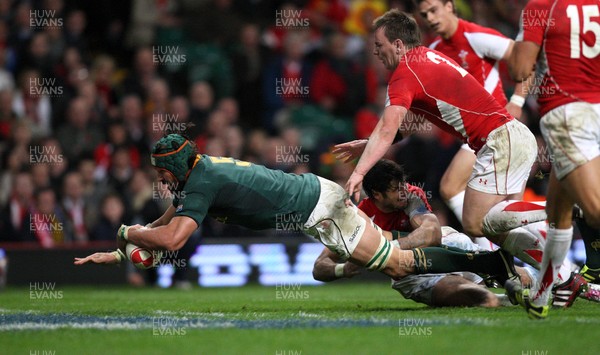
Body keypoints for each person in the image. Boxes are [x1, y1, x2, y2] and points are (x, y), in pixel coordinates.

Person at [75, 133, 518, 285]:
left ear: (173, 166)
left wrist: (126, 233)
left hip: (318, 208)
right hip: (314, 202)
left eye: (162, 171)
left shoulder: (200, 181)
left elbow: (171, 240)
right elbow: (165, 223)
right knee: (393, 261)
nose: (162, 178)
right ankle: (486, 263)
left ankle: (492, 264)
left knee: (399, 266)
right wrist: (120, 249)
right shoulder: (198, 173)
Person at [333, 9, 546, 271]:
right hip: (508, 137)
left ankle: (559, 207)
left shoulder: (405, 72)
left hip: (500, 140)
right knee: (493, 226)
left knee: (476, 221)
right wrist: (371, 143)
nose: (375, 52)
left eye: (379, 45)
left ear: (398, 45)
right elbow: (409, 122)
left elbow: (387, 128)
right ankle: (560, 272)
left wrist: (359, 172)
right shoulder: (427, 56)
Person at [505, 0, 600, 319]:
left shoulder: (541, 6)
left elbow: (520, 69)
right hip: (596, 109)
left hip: (566, 114)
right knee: (558, 213)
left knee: (595, 210)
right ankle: (543, 294)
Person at [313, 159, 516, 307]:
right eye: (395, 189)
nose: (403, 191)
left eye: (403, 184)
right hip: (409, 274)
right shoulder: (358, 218)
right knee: (481, 298)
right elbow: (319, 268)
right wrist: (342, 270)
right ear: (376, 194)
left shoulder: (410, 197)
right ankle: (500, 297)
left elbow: (433, 234)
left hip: (442, 249)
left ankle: (538, 283)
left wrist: (386, 249)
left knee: (459, 241)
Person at [415, 0, 529, 252]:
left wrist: (518, 101)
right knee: (507, 213)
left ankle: (490, 256)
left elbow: (524, 58)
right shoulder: (434, 49)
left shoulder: (475, 36)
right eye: (424, 14)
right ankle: (554, 266)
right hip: (476, 136)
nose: (430, 18)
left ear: (449, 6)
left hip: (497, 128)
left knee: (452, 188)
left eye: (434, 10)